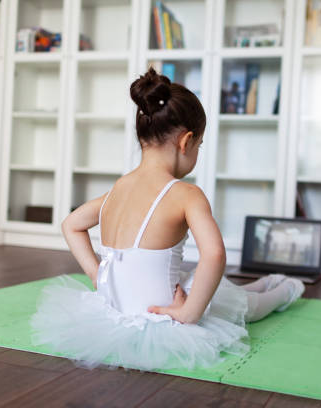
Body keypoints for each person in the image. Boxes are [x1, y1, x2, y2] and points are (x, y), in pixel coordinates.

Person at [29, 67, 305, 372]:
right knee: (245, 307)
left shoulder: (119, 188)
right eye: (199, 145)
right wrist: (190, 312)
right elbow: (214, 254)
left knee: (229, 294)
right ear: (186, 142)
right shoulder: (186, 194)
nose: (196, 151)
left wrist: (98, 276)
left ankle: (267, 283)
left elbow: (71, 224)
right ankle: (287, 288)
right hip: (166, 314)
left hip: (115, 311)